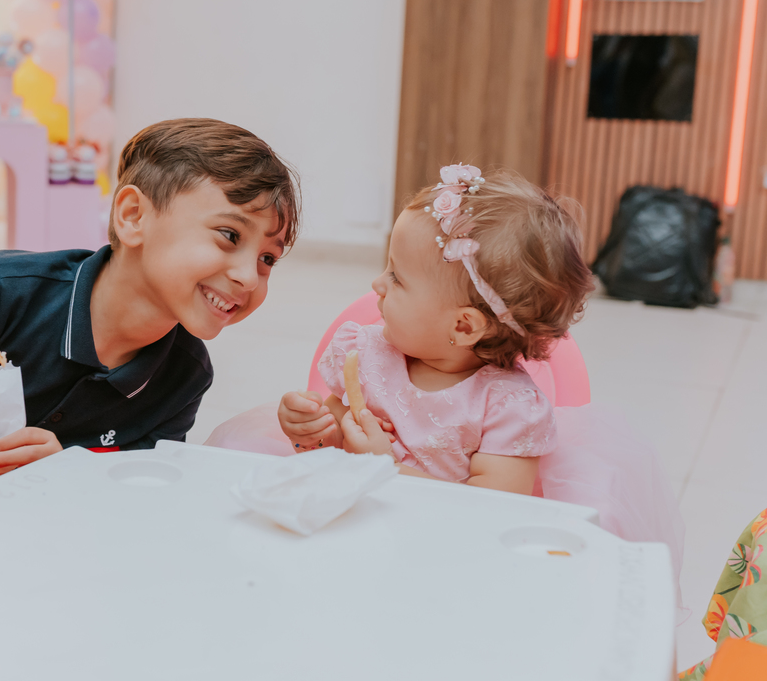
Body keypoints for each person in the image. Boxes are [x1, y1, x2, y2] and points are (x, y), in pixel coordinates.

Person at [272, 164, 684, 583]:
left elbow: (491, 513)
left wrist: (385, 468)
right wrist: (313, 428)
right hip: (351, 538)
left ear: (464, 326)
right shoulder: (367, 352)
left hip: (447, 565)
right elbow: (335, 437)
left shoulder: (508, 408)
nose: (377, 284)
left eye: (397, 276)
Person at [0, 118, 300, 471]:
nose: (249, 278)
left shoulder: (184, 375)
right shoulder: (2, 289)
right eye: (229, 236)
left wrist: (65, 471)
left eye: (268, 258)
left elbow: (130, 495)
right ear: (133, 217)